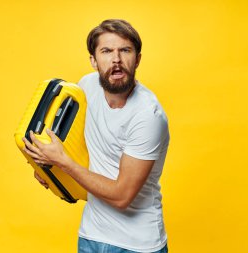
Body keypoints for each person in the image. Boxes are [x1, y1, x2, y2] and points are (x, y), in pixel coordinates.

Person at [23, 19, 170, 253]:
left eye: (125, 50)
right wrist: (49, 170)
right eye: (106, 51)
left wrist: (62, 162)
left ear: (138, 59)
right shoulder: (86, 86)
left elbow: (122, 196)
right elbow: (77, 147)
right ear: (93, 60)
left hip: (136, 245)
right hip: (91, 235)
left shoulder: (148, 116)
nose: (116, 60)